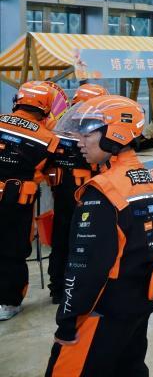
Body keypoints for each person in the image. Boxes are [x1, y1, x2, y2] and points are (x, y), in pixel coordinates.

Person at [45, 95, 153, 376]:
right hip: (138, 303)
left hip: (102, 311)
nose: (79, 141)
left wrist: (67, 321)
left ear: (115, 134)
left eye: (87, 133)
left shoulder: (103, 191)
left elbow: (85, 267)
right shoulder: (148, 180)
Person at [0, 81, 61, 321]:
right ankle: (9, 302)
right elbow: (47, 174)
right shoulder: (48, 139)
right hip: (16, 204)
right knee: (13, 250)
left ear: (18, 101)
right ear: (46, 108)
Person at [46, 83, 109, 304]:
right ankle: (83, 285)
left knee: (61, 237)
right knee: (88, 237)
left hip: (63, 190)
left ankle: (58, 288)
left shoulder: (55, 126)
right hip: (88, 190)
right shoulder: (96, 130)